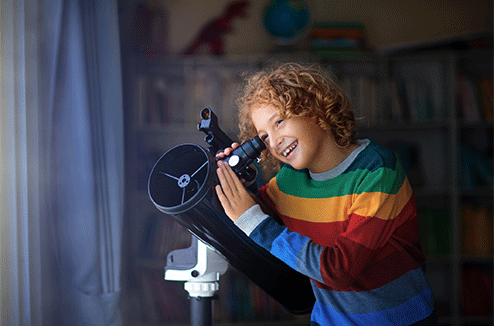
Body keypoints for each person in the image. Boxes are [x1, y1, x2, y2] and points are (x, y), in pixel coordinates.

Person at [215, 62, 437, 325]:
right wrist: (239, 182)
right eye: (263, 137)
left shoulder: (377, 172)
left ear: (315, 108)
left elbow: (340, 270)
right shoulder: (290, 180)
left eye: (280, 121)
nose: (273, 142)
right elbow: (249, 216)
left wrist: (251, 218)